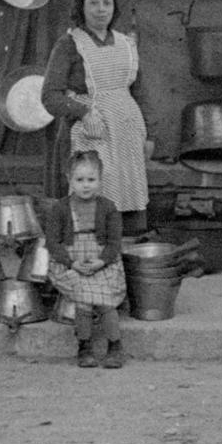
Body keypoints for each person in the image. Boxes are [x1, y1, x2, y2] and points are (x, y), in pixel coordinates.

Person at [42, 0, 153, 236]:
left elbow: (141, 92)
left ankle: (119, 269)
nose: (101, 9)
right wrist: (83, 111)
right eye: (94, 3)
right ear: (82, 7)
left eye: (107, 3)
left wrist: (151, 135)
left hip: (126, 133)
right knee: (90, 203)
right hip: (89, 134)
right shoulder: (69, 44)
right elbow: (49, 96)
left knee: (126, 206)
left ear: (114, 8)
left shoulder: (127, 44)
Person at [45, 149, 129, 369]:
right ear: (69, 180)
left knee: (105, 302)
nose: (85, 185)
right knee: (83, 302)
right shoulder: (60, 209)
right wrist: (72, 263)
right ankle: (84, 346)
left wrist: (102, 261)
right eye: (79, 179)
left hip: (103, 262)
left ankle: (115, 346)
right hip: (72, 262)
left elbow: (114, 243)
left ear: (100, 180)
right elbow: (52, 243)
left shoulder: (109, 208)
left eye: (91, 179)